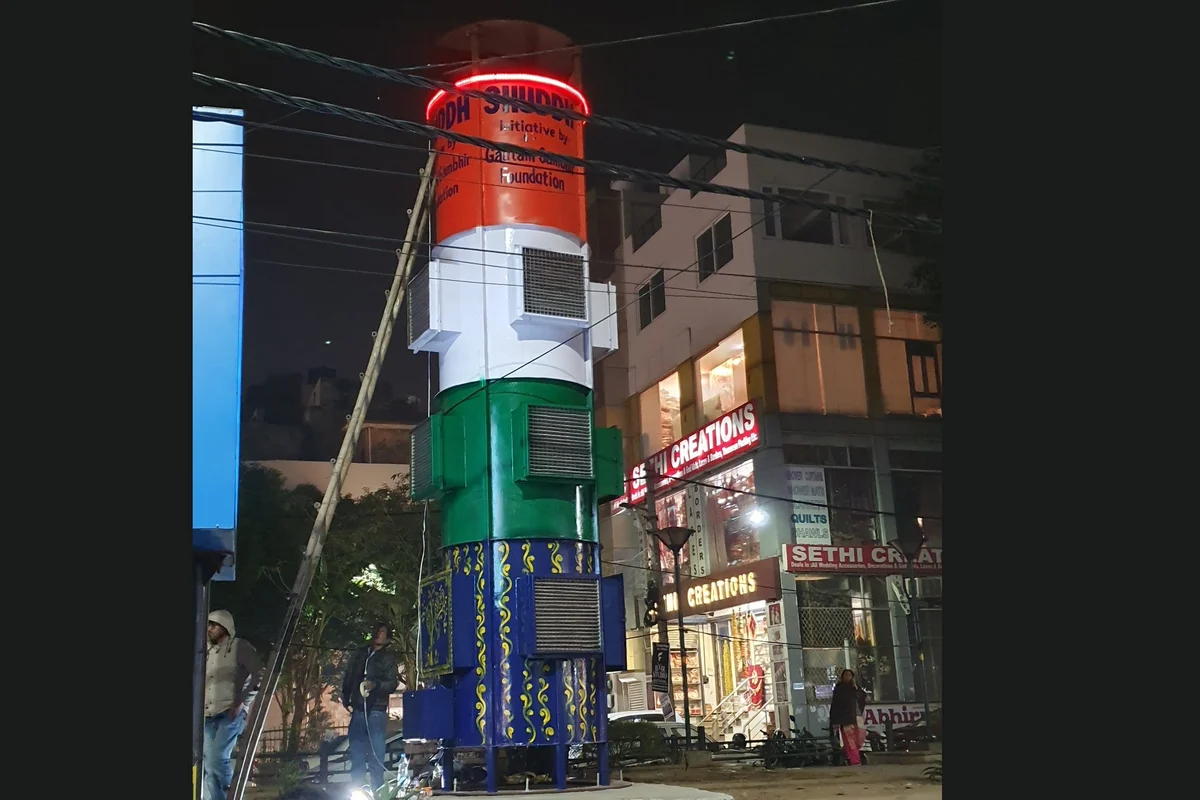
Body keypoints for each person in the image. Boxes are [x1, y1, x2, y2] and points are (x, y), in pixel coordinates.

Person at [203, 610, 262, 800]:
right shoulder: (206, 652)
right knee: (209, 767)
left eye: (214, 625)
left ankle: (234, 794)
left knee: (217, 759)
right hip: (207, 715)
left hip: (230, 713)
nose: (209, 629)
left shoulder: (240, 647)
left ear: (225, 627)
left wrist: (243, 701)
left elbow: (259, 674)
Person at [342, 622, 400, 793]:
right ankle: (358, 791)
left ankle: (377, 790)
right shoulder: (361, 654)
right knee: (357, 753)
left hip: (376, 709)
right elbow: (350, 675)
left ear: (387, 638)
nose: (378, 634)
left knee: (376, 753)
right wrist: (346, 696)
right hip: (359, 708)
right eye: (377, 630)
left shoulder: (388, 658)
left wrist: (375, 685)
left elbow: (392, 684)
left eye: (382, 632)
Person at [829, 668, 868, 766]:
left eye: (850, 675)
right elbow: (835, 704)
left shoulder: (855, 688)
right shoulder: (839, 688)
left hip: (856, 718)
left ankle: (854, 759)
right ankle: (855, 761)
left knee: (859, 739)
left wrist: (856, 689)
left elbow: (862, 698)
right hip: (845, 719)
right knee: (849, 741)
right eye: (846, 675)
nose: (848, 677)